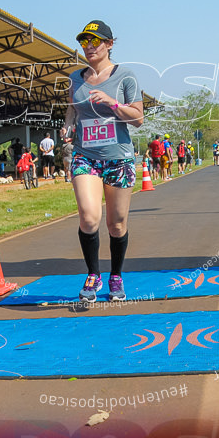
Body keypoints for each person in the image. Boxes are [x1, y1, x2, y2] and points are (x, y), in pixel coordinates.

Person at [62, 20, 144, 303]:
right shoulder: (76, 79)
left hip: (118, 159)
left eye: (95, 41)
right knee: (88, 216)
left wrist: (112, 103)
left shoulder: (126, 77)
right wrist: (68, 125)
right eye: (84, 42)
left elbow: (138, 119)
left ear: (110, 44)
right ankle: (93, 274)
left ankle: (116, 275)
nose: (89, 47)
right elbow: (72, 109)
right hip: (86, 156)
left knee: (116, 224)